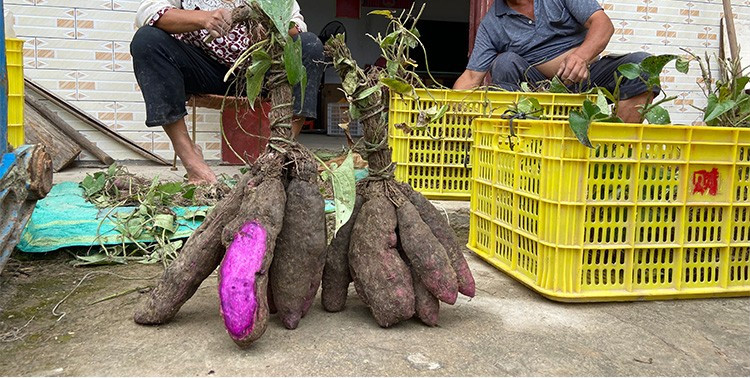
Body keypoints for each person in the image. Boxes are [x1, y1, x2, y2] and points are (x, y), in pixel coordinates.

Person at [132, 0, 324, 184]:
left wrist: (271, 26)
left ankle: (280, 151)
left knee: (309, 44)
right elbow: (147, 13)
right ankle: (190, 158)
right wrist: (203, 19)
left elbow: (297, 25)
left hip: (260, 72)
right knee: (147, 39)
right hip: (205, 71)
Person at [454, 0, 656, 123]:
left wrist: (580, 57)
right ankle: (524, 153)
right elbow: (471, 77)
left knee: (642, 65)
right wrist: (448, 111)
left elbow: (603, 24)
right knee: (505, 63)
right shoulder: (492, 23)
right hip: (538, 93)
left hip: (588, 77)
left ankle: (615, 154)